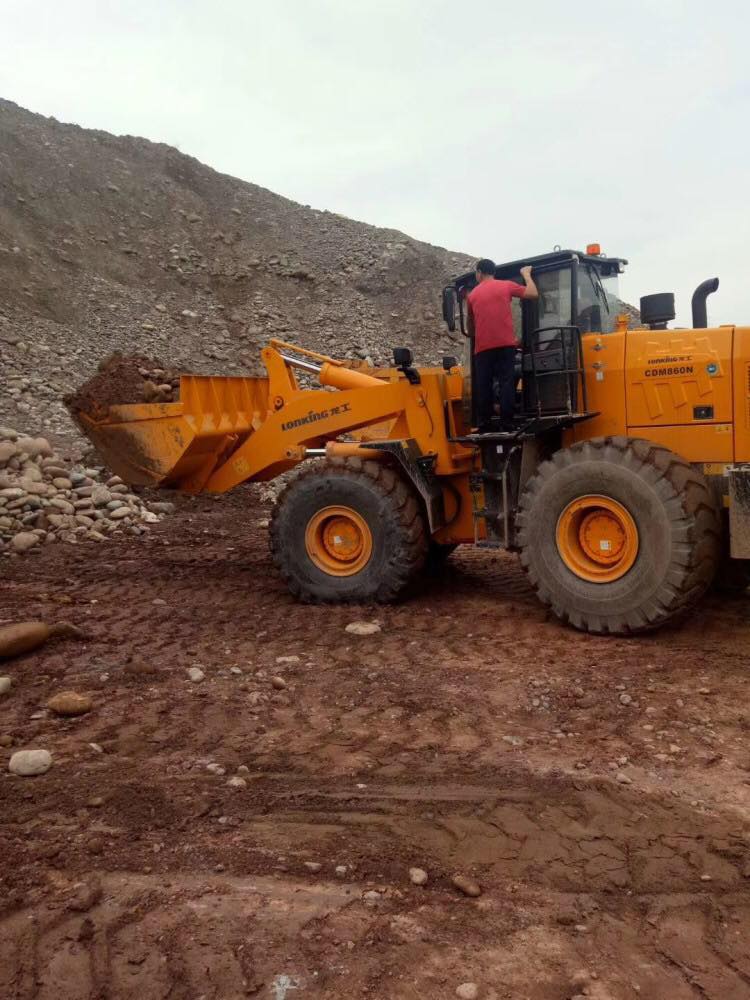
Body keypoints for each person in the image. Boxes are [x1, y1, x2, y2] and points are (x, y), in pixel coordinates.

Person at [466, 259, 538, 431]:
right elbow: (533, 294)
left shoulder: (472, 295)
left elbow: (470, 326)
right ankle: (507, 422)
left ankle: (484, 423)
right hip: (505, 345)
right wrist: (526, 275)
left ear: (480, 272)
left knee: (484, 384)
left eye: (476, 272)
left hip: (483, 348)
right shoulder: (506, 286)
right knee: (507, 382)